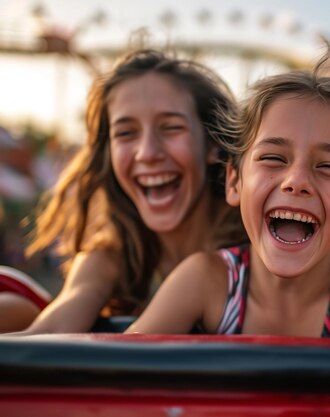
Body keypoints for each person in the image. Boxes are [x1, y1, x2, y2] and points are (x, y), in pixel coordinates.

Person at [127, 45, 330, 342]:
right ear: (235, 183)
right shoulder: (206, 280)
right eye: (273, 158)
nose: (296, 181)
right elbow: (115, 369)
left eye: (328, 166)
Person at [3, 49, 245, 334]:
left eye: (171, 128)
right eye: (126, 133)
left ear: (213, 144)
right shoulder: (112, 254)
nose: (147, 153)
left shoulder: (261, 244)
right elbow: (52, 332)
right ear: (109, 153)